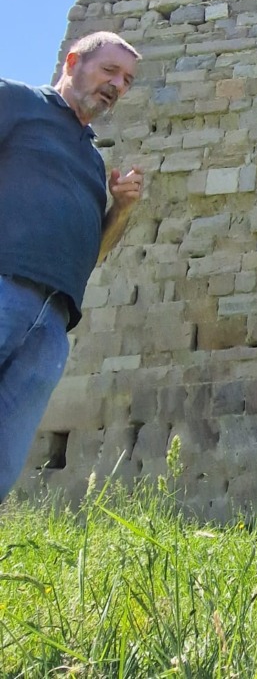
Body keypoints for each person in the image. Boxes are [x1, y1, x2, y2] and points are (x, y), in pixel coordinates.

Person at [0, 31, 144, 501]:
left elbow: (93, 254)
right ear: (73, 62)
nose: (117, 85)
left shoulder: (92, 161)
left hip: (52, 323)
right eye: (110, 71)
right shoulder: (18, 102)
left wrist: (121, 209)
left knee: (3, 461)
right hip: (4, 288)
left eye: (126, 80)